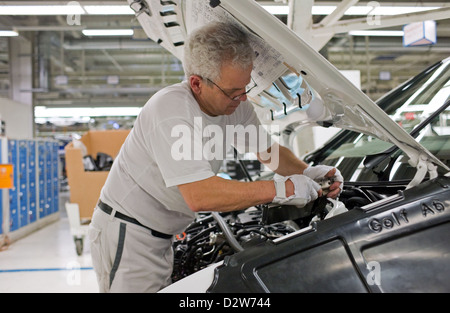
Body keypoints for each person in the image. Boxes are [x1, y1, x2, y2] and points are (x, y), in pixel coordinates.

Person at [88, 21, 343, 293]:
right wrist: (283, 188)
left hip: (163, 234)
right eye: (233, 92)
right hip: (129, 234)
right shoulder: (173, 111)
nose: (243, 98)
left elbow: (268, 152)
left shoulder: (234, 106)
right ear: (197, 83)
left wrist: (306, 173)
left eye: (246, 87)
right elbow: (200, 195)